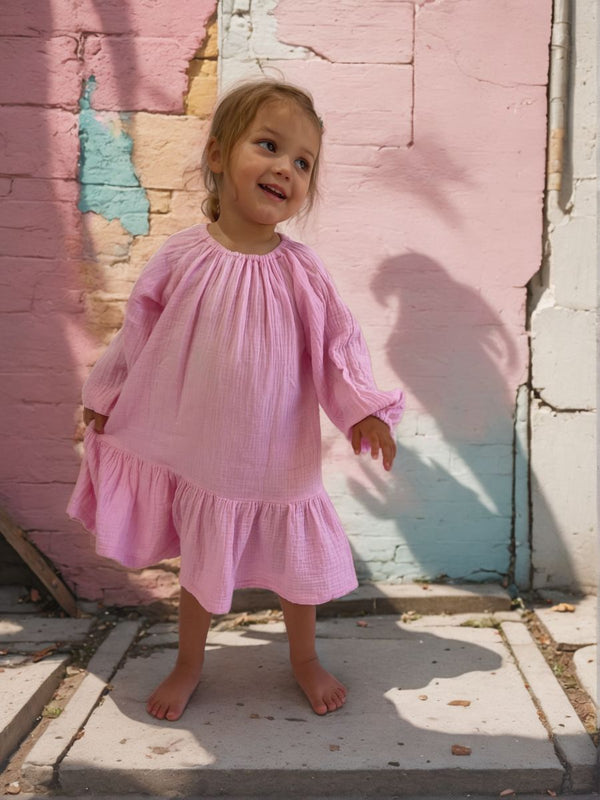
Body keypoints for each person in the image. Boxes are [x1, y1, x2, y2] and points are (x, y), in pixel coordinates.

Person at [68, 79, 404, 722]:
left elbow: (338, 344)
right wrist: (107, 394)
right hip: (202, 442)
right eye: (270, 146)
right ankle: (189, 661)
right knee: (203, 554)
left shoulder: (303, 271)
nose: (286, 168)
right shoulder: (182, 256)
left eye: (303, 162)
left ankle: (303, 657)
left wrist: (364, 408)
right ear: (219, 156)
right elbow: (138, 334)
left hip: (278, 447)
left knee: (296, 562)